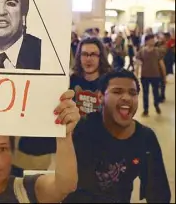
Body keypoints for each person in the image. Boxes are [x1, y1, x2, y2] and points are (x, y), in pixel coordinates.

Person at [62, 70, 171, 203]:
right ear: (100, 97)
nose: (126, 97)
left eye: (132, 93)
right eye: (117, 91)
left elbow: (159, 194)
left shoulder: (145, 139)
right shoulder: (81, 129)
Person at [71, 37, 112, 116]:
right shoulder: (72, 79)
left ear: (100, 57)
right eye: (84, 54)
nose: (88, 59)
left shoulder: (109, 83)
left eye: (93, 54)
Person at [135, 34, 166, 116]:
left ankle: (156, 105)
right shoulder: (141, 52)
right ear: (146, 41)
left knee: (156, 92)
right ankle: (146, 110)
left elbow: (161, 64)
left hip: (156, 76)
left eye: (153, 39)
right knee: (145, 94)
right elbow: (137, 65)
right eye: (151, 40)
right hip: (144, 76)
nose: (153, 41)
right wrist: (136, 76)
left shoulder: (157, 51)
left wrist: (164, 76)